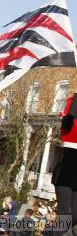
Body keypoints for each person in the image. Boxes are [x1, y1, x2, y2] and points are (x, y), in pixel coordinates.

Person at [52, 94, 77, 234]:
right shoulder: (68, 122)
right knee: (63, 212)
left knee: (75, 215)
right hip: (66, 167)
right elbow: (68, 119)